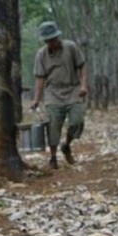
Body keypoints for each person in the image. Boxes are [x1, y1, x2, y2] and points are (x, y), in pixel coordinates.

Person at [30, 21, 89, 169]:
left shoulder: (71, 47)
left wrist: (83, 85)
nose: (51, 42)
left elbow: (82, 66)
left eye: (53, 39)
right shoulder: (41, 54)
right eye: (48, 40)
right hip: (53, 93)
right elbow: (40, 77)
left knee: (77, 121)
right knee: (53, 125)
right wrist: (37, 99)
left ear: (58, 36)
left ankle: (67, 144)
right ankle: (53, 157)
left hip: (73, 89)